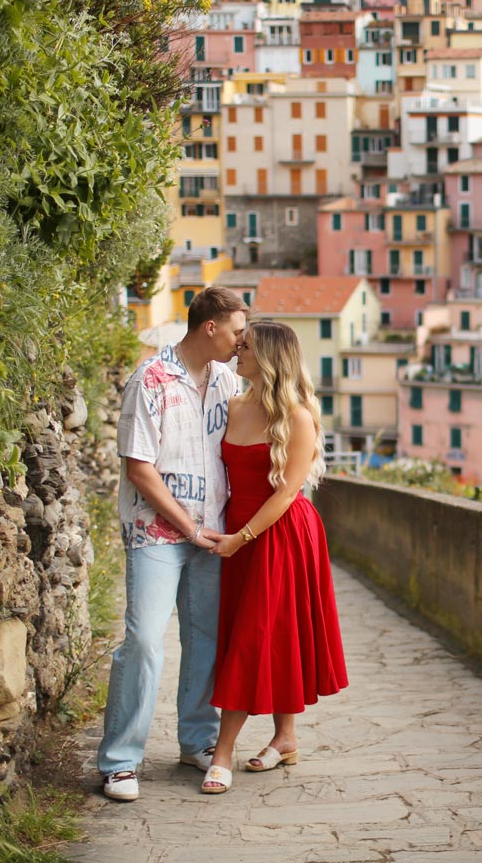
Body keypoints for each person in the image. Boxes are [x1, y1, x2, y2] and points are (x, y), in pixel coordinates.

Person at [96, 287, 248, 802]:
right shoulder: (150, 379)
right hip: (156, 532)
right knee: (143, 641)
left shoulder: (228, 381)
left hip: (214, 533)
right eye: (236, 331)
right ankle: (120, 762)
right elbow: (139, 468)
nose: (241, 340)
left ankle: (197, 741)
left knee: (205, 640)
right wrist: (188, 527)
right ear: (210, 326)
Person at [199, 320, 348, 795]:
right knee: (274, 632)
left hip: (280, 533)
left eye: (244, 347)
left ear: (268, 358)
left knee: (253, 636)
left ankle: (222, 754)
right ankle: (285, 739)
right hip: (240, 532)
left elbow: (286, 493)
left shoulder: (298, 417)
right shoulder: (232, 405)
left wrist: (239, 538)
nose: (236, 352)